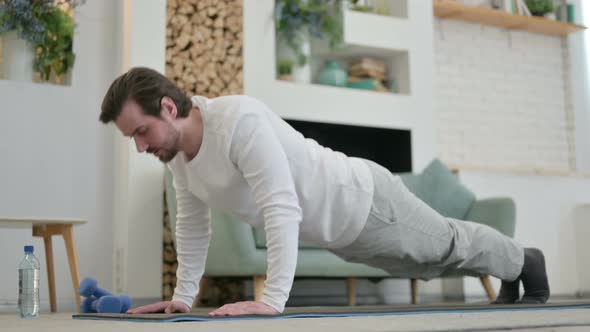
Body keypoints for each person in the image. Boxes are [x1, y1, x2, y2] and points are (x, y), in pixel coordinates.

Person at [99, 67, 550, 317]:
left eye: (141, 132)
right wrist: (182, 296)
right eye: (131, 139)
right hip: (344, 234)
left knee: (446, 245)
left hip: (367, 202)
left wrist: (271, 301)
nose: (140, 147)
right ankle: (511, 266)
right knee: (431, 266)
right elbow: (192, 225)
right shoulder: (178, 156)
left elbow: (281, 206)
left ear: (168, 107)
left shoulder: (238, 123)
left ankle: (526, 261)